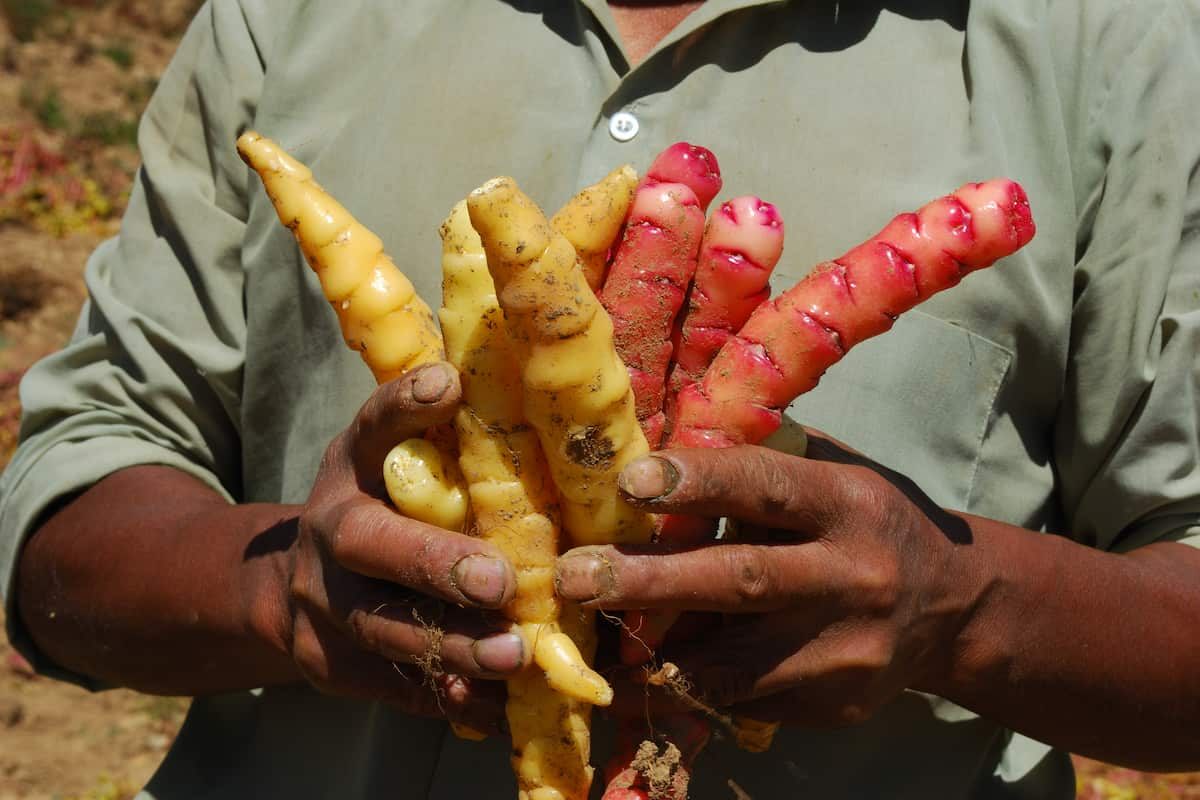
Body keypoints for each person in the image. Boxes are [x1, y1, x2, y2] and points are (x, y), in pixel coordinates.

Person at [2, 0, 1198, 797]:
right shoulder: (278, 19)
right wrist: (278, 589)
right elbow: (65, 525)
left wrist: (960, 601)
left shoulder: (1122, 46)